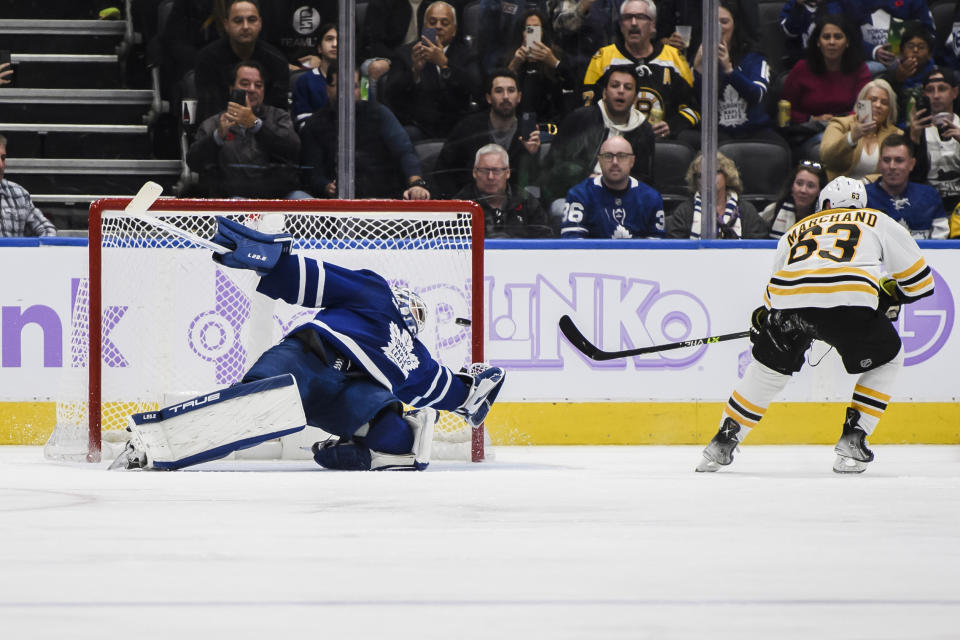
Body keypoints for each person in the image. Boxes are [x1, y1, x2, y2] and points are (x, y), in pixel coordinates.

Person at [111, 217, 506, 472]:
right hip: (308, 358)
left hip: (349, 395)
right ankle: (152, 443)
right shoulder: (376, 294)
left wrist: (473, 393)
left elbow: (449, 389)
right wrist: (268, 262)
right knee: (258, 404)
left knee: (399, 438)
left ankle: (371, 451)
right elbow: (314, 279)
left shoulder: (416, 359)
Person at [696, 176, 935, 474]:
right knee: (888, 359)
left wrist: (764, 318)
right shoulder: (876, 220)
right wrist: (888, 295)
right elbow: (921, 284)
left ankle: (722, 442)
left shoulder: (794, 231)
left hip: (788, 305)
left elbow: (773, 296)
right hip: (848, 304)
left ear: (823, 204)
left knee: (766, 372)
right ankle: (854, 437)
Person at [299, 65, 430, 200]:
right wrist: (326, 186)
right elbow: (312, 172)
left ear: (360, 90)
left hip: (386, 197)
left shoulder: (379, 113)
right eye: (340, 86)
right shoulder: (314, 125)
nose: (347, 92)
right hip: (339, 204)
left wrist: (416, 184)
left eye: (354, 87)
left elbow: (405, 152)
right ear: (327, 89)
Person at [581, 0, 700, 141]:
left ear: (653, 25)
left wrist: (671, 126)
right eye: (627, 17)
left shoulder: (674, 58)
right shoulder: (603, 58)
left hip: (663, 143)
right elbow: (588, 109)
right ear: (620, 25)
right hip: (615, 141)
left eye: (640, 17)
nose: (633, 23)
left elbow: (693, 107)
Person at [539, 64, 655, 206]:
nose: (621, 91)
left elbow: (644, 179)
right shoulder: (579, 120)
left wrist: (617, 185)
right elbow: (553, 168)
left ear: (635, 98)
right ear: (605, 93)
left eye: (628, 88)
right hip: (577, 196)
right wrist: (588, 179)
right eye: (615, 86)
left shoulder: (643, 130)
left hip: (623, 201)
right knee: (560, 208)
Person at [186, 60, 303, 198]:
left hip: (278, 195)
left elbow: (294, 150)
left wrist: (255, 124)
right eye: (245, 84)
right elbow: (194, 163)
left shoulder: (279, 117)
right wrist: (217, 137)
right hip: (232, 197)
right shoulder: (213, 123)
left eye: (258, 85)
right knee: (238, 205)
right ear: (231, 89)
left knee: (304, 200)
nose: (252, 89)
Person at [433, 69, 541, 198]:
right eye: (499, 91)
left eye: (511, 90)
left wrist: (532, 155)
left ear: (519, 97)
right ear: (489, 98)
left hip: (512, 207)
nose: (505, 96)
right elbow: (443, 171)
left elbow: (534, 184)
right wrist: (458, 203)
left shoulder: (527, 133)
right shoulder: (468, 127)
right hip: (471, 204)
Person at [383, 1, 482, 140]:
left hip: (455, 125)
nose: (438, 27)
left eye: (444, 23)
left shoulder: (467, 55)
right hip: (417, 126)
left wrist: (444, 65)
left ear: (454, 30)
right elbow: (390, 95)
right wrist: (414, 71)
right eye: (432, 22)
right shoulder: (405, 54)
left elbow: (476, 89)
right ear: (424, 27)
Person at [691, 0, 782, 145]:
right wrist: (698, 70)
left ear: (735, 25)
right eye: (713, 22)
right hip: (717, 135)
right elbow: (699, 103)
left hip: (754, 132)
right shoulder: (699, 58)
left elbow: (756, 95)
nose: (718, 28)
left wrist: (729, 70)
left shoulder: (754, 58)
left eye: (724, 21)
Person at [780, 14, 870, 159]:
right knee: (828, 149)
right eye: (826, 37)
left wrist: (838, 123)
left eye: (838, 37)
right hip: (811, 135)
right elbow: (786, 108)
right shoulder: (801, 69)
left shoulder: (859, 69)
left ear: (847, 42)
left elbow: (864, 107)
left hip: (849, 131)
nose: (832, 42)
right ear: (818, 42)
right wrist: (812, 118)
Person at [193, 0, 290, 123]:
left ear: (260, 24)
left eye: (251, 20)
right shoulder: (207, 59)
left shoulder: (277, 60)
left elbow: (278, 114)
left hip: (263, 129)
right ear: (226, 25)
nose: (245, 26)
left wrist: (253, 123)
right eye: (238, 21)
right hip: (221, 128)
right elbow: (209, 111)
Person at [560, 135, 665, 238]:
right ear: (600, 161)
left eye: (622, 156)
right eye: (608, 156)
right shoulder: (580, 195)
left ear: (632, 161)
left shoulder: (651, 197)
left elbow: (657, 247)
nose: (615, 162)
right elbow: (572, 244)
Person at [665, 151, 768, 238]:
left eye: (712, 173)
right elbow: (675, 250)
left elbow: (758, 248)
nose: (706, 179)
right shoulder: (685, 211)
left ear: (727, 175)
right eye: (700, 175)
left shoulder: (746, 211)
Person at [456, 144, 552, 238]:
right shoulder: (459, 205)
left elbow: (545, 243)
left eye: (496, 171)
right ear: (475, 172)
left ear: (507, 173)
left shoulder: (527, 203)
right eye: (485, 170)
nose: (490, 177)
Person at [865, 134, 948, 238]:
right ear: (879, 163)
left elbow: (941, 241)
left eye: (899, 160)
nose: (892, 166)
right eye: (886, 160)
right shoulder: (864, 197)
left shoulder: (929, 195)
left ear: (912, 164)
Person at [503, 8, 577, 123]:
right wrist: (513, 66)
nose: (532, 33)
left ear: (543, 32)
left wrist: (555, 63)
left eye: (536, 28)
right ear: (521, 32)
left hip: (550, 123)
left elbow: (573, 85)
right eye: (528, 29)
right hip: (515, 122)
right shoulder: (510, 58)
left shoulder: (556, 55)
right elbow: (496, 90)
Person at [819, 78, 901, 181]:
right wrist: (851, 138)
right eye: (873, 100)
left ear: (890, 109)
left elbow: (900, 171)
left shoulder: (896, 135)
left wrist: (866, 182)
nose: (878, 105)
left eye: (884, 102)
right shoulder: (840, 125)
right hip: (839, 190)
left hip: (874, 192)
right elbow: (826, 158)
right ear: (861, 102)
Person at [907, 66, 960, 212]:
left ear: (954, 92)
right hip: (927, 206)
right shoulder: (915, 130)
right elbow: (909, 181)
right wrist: (914, 141)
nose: (936, 95)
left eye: (942, 89)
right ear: (924, 94)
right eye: (930, 90)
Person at [843, 0, 934, 76]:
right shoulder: (852, 3)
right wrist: (872, 50)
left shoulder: (914, 2)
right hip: (863, 60)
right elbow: (844, 35)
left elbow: (929, 33)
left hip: (904, 62)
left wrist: (906, 51)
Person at [880, 21, 936, 128]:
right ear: (901, 52)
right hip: (896, 128)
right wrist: (898, 79)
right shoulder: (890, 76)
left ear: (929, 54)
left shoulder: (937, 75)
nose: (915, 50)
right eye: (910, 46)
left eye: (921, 47)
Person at [0, 134, 57, 237]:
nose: (1, 165)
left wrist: (43, 250)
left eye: (3, 158)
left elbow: (47, 229)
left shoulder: (18, 194)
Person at [760, 159, 828, 238]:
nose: (803, 190)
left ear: (820, 192)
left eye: (810, 186)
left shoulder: (827, 218)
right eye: (799, 183)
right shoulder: (772, 211)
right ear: (792, 186)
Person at [291, 23, 337, 127]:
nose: (335, 44)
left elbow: (367, 115)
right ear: (319, 48)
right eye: (329, 39)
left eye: (341, 39)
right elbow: (302, 123)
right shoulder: (304, 81)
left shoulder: (361, 81)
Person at [777, 0, 845, 71]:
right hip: (799, 59)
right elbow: (790, 32)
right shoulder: (793, 4)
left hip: (828, 61)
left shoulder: (833, 5)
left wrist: (822, 5)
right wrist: (798, 7)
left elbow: (837, 25)